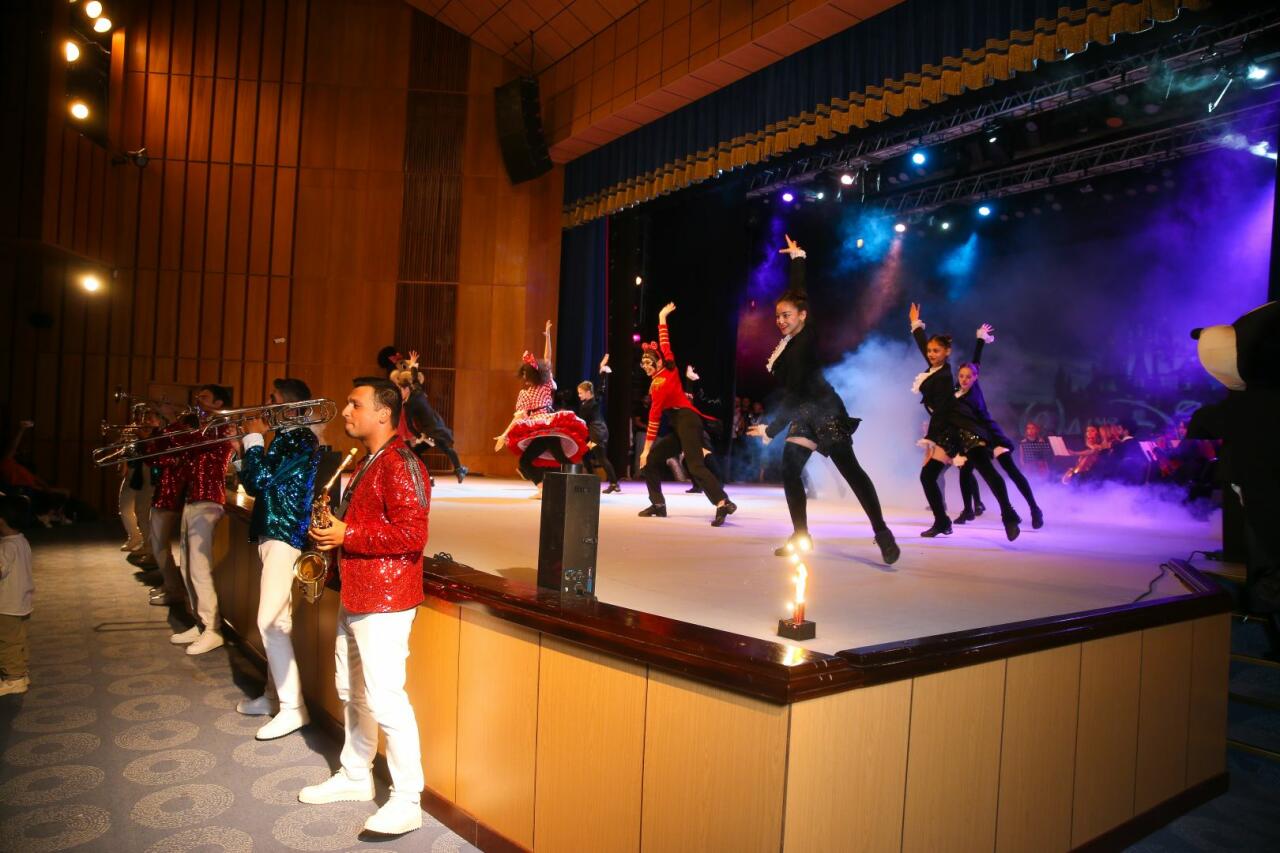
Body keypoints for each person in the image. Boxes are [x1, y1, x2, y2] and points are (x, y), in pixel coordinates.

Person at [300, 378, 430, 836]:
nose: (346, 411)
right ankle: (356, 774)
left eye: (355, 404)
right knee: (352, 690)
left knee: (385, 697)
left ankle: (408, 799)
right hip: (358, 591)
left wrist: (347, 534)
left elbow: (413, 535)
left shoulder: (402, 463)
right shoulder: (367, 461)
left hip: (386, 598)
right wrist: (335, 534)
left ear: (383, 413)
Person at [747, 236, 899, 563]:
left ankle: (882, 532)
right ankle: (800, 535)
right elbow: (797, 294)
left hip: (826, 411)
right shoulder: (789, 343)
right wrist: (797, 258)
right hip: (803, 413)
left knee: (851, 471)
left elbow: (794, 393)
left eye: (787, 315)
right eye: (778, 316)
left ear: (802, 316)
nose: (781, 320)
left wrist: (771, 429)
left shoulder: (805, 338)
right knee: (790, 470)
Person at [234, 378, 324, 740]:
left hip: (284, 533)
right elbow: (255, 481)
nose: (265, 405)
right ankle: (274, 696)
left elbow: (259, 482)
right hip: (274, 531)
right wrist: (244, 449)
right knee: (277, 620)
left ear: (289, 406)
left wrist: (253, 440)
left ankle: (292, 708)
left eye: (272, 399)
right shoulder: (286, 438)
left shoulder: (298, 438)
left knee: (270, 622)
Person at [910, 304, 1020, 541]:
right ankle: (942, 521)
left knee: (987, 471)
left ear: (947, 352)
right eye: (929, 351)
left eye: (936, 351)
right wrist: (916, 326)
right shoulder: (935, 370)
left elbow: (941, 412)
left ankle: (1009, 515)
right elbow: (925, 351)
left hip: (963, 429)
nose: (931, 354)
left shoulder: (943, 376)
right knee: (928, 476)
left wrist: (930, 438)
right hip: (948, 431)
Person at [637, 302, 737, 526]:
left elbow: (654, 418)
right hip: (680, 425)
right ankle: (658, 504)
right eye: (643, 364)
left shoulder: (661, 381)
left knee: (694, 465)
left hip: (687, 421)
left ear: (659, 361)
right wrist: (662, 318)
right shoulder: (665, 370)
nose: (646, 366)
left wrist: (645, 449)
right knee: (652, 461)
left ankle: (723, 502)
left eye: (649, 363)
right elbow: (664, 342)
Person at [168, 384, 237, 655]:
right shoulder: (201, 427)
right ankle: (200, 621)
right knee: (187, 566)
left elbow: (189, 441)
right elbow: (175, 447)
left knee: (199, 568)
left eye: (205, 397)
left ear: (219, 403)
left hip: (209, 501)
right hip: (191, 500)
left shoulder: (223, 427)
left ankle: (213, 628)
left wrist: (174, 420)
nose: (198, 400)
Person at [952, 326, 1044, 529]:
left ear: (975, 378)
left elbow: (976, 361)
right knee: (965, 470)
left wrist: (980, 340)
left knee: (1011, 471)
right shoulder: (956, 392)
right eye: (961, 376)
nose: (965, 379)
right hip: (975, 438)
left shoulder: (974, 389)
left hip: (991, 435)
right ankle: (968, 509)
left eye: (968, 376)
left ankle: (1034, 508)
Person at [495, 321, 588, 497]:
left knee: (548, 459)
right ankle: (549, 488)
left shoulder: (544, 384)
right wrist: (504, 434)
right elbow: (518, 416)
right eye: (523, 374)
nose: (524, 377)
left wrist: (548, 337)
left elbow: (547, 358)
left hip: (548, 425)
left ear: (534, 374)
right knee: (537, 460)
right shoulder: (525, 393)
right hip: (539, 429)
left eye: (526, 374)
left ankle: (576, 488)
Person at [390, 351, 468, 484]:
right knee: (445, 448)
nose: (400, 393)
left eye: (401, 390)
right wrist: (413, 364)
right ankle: (458, 470)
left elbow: (409, 425)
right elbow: (415, 379)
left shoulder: (409, 404)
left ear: (406, 389)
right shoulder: (418, 392)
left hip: (430, 430)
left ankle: (430, 476)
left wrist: (419, 436)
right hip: (436, 426)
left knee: (419, 451)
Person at [0, 495, 34, 696]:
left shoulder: (6, 546)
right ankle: (21, 673)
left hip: (7, 605)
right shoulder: (21, 541)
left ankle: (14, 679)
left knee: (7, 643)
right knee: (19, 641)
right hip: (22, 602)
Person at [578, 355, 621, 493]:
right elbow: (601, 387)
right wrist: (602, 369)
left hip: (596, 433)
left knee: (601, 458)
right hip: (599, 431)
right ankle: (594, 480)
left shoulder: (587, 405)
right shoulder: (594, 399)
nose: (579, 395)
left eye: (581, 393)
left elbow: (581, 421)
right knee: (585, 455)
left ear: (588, 392)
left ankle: (614, 483)